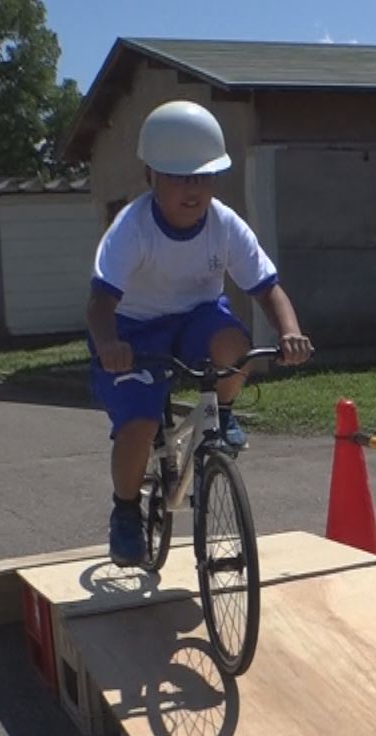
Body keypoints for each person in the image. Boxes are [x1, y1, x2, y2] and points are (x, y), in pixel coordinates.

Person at [86, 99, 313, 567]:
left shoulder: (224, 224)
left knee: (234, 346)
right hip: (133, 330)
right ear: (150, 175)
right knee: (139, 422)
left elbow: (267, 288)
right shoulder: (131, 229)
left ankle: (223, 414)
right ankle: (125, 511)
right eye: (177, 177)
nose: (192, 190)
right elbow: (101, 303)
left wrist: (290, 331)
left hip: (196, 318)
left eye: (202, 177)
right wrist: (109, 346)